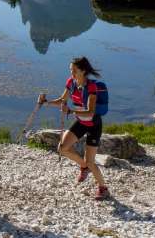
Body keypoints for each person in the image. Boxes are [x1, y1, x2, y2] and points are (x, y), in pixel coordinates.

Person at [38, 56, 110, 200]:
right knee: (62, 148)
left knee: (91, 160)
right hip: (81, 123)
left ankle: (103, 188)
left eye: (74, 70)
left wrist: (70, 111)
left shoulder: (91, 87)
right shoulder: (71, 83)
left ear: (83, 71)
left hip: (94, 125)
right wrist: (45, 102)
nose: (72, 73)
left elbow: (90, 111)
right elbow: (62, 100)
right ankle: (84, 167)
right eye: (71, 70)